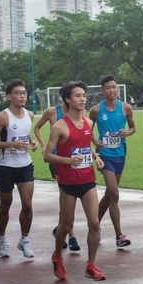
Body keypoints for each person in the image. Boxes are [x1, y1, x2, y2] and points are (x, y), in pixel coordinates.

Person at [43, 81, 106, 281]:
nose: (82, 99)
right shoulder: (59, 127)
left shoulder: (88, 122)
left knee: (94, 223)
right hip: (68, 183)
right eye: (78, 96)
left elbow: (86, 145)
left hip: (88, 179)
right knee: (66, 225)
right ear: (68, 99)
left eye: (84, 96)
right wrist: (68, 160)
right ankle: (57, 256)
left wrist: (95, 157)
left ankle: (91, 265)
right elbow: (47, 156)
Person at [0, 79, 38, 258]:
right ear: (9, 96)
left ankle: (24, 240)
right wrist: (11, 144)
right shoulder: (3, 117)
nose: (23, 96)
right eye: (18, 93)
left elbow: (25, 132)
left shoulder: (30, 115)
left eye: (24, 92)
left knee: (28, 205)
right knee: (5, 205)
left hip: (25, 165)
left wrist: (32, 141)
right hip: (6, 166)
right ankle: (2, 239)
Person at [89, 75, 136, 248]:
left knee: (110, 194)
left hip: (120, 154)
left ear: (118, 89)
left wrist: (127, 133)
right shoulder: (96, 110)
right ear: (103, 90)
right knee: (114, 193)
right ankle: (119, 235)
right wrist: (95, 142)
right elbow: (88, 130)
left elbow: (133, 127)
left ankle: (95, 224)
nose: (111, 90)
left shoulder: (125, 108)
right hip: (105, 155)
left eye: (114, 87)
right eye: (108, 87)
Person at [33, 102, 86, 251]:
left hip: (76, 160)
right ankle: (71, 236)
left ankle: (60, 231)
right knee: (67, 196)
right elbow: (37, 127)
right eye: (76, 95)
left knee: (68, 200)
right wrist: (44, 145)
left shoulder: (81, 112)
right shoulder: (52, 112)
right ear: (67, 98)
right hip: (58, 160)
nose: (79, 99)